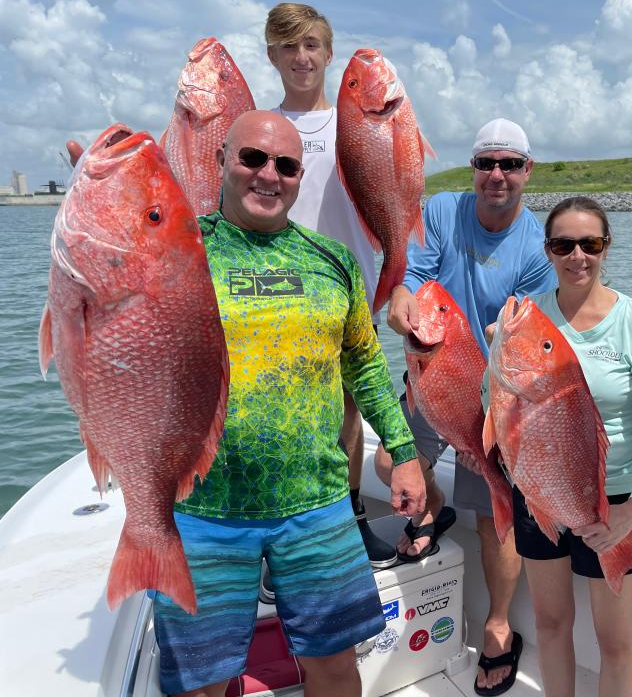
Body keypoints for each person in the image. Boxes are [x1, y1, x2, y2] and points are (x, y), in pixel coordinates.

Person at [147, 110, 425, 697]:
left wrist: (403, 451)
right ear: (222, 159)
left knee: (334, 666)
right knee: (202, 683)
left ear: (300, 177)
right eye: (252, 158)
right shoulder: (174, 251)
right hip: (202, 512)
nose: (268, 174)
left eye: (286, 165)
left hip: (318, 505)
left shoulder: (333, 261)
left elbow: (367, 366)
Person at [375, 118, 557, 695]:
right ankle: (429, 510)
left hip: (494, 397)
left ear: (527, 171)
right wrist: (401, 303)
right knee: (388, 463)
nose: (495, 176)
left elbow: (525, 340)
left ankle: (498, 626)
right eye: (485, 164)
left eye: (509, 164)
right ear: (473, 170)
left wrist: (495, 421)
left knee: (495, 515)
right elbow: (412, 281)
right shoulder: (440, 212)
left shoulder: (537, 248)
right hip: (435, 374)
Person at [501, 196, 632, 697]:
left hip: (618, 501)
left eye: (590, 243)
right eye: (563, 244)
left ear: (607, 247)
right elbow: (495, 407)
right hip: (539, 496)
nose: (577, 255)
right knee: (550, 622)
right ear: (548, 250)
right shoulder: (524, 318)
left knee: (616, 641)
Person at [264, 2, 396, 567]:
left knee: (346, 410)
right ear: (272, 55)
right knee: (280, 414)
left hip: (349, 289)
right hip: (277, 292)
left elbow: (399, 186)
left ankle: (350, 520)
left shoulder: (359, 119)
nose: (302, 57)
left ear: (329, 51)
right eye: (289, 46)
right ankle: (280, 538)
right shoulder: (262, 129)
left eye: (312, 44)